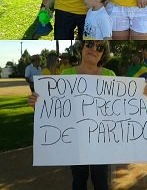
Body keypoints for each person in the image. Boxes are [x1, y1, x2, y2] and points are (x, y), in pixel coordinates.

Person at [28, 41, 114, 189]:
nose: (94, 49)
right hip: (74, 140)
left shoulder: (110, 75)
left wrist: (141, 95)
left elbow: (118, 107)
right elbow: (56, 107)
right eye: (90, 44)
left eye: (99, 48)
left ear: (103, 54)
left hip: (100, 141)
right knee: (79, 181)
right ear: (81, 47)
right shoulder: (66, 74)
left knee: (100, 182)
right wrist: (39, 103)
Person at [127, 51, 147, 124]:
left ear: (141, 58)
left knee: (146, 121)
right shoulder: (131, 68)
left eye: (136, 57)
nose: (134, 58)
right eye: (133, 57)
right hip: (133, 98)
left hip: (145, 97)